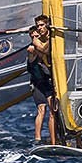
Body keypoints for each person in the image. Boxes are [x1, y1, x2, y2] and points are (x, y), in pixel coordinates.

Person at [27, 14, 59, 144]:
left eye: (41, 25)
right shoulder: (33, 46)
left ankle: (54, 141)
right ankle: (37, 139)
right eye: (37, 26)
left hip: (47, 81)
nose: (39, 30)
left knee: (53, 111)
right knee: (42, 110)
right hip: (37, 83)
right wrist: (53, 36)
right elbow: (43, 49)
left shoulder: (44, 39)